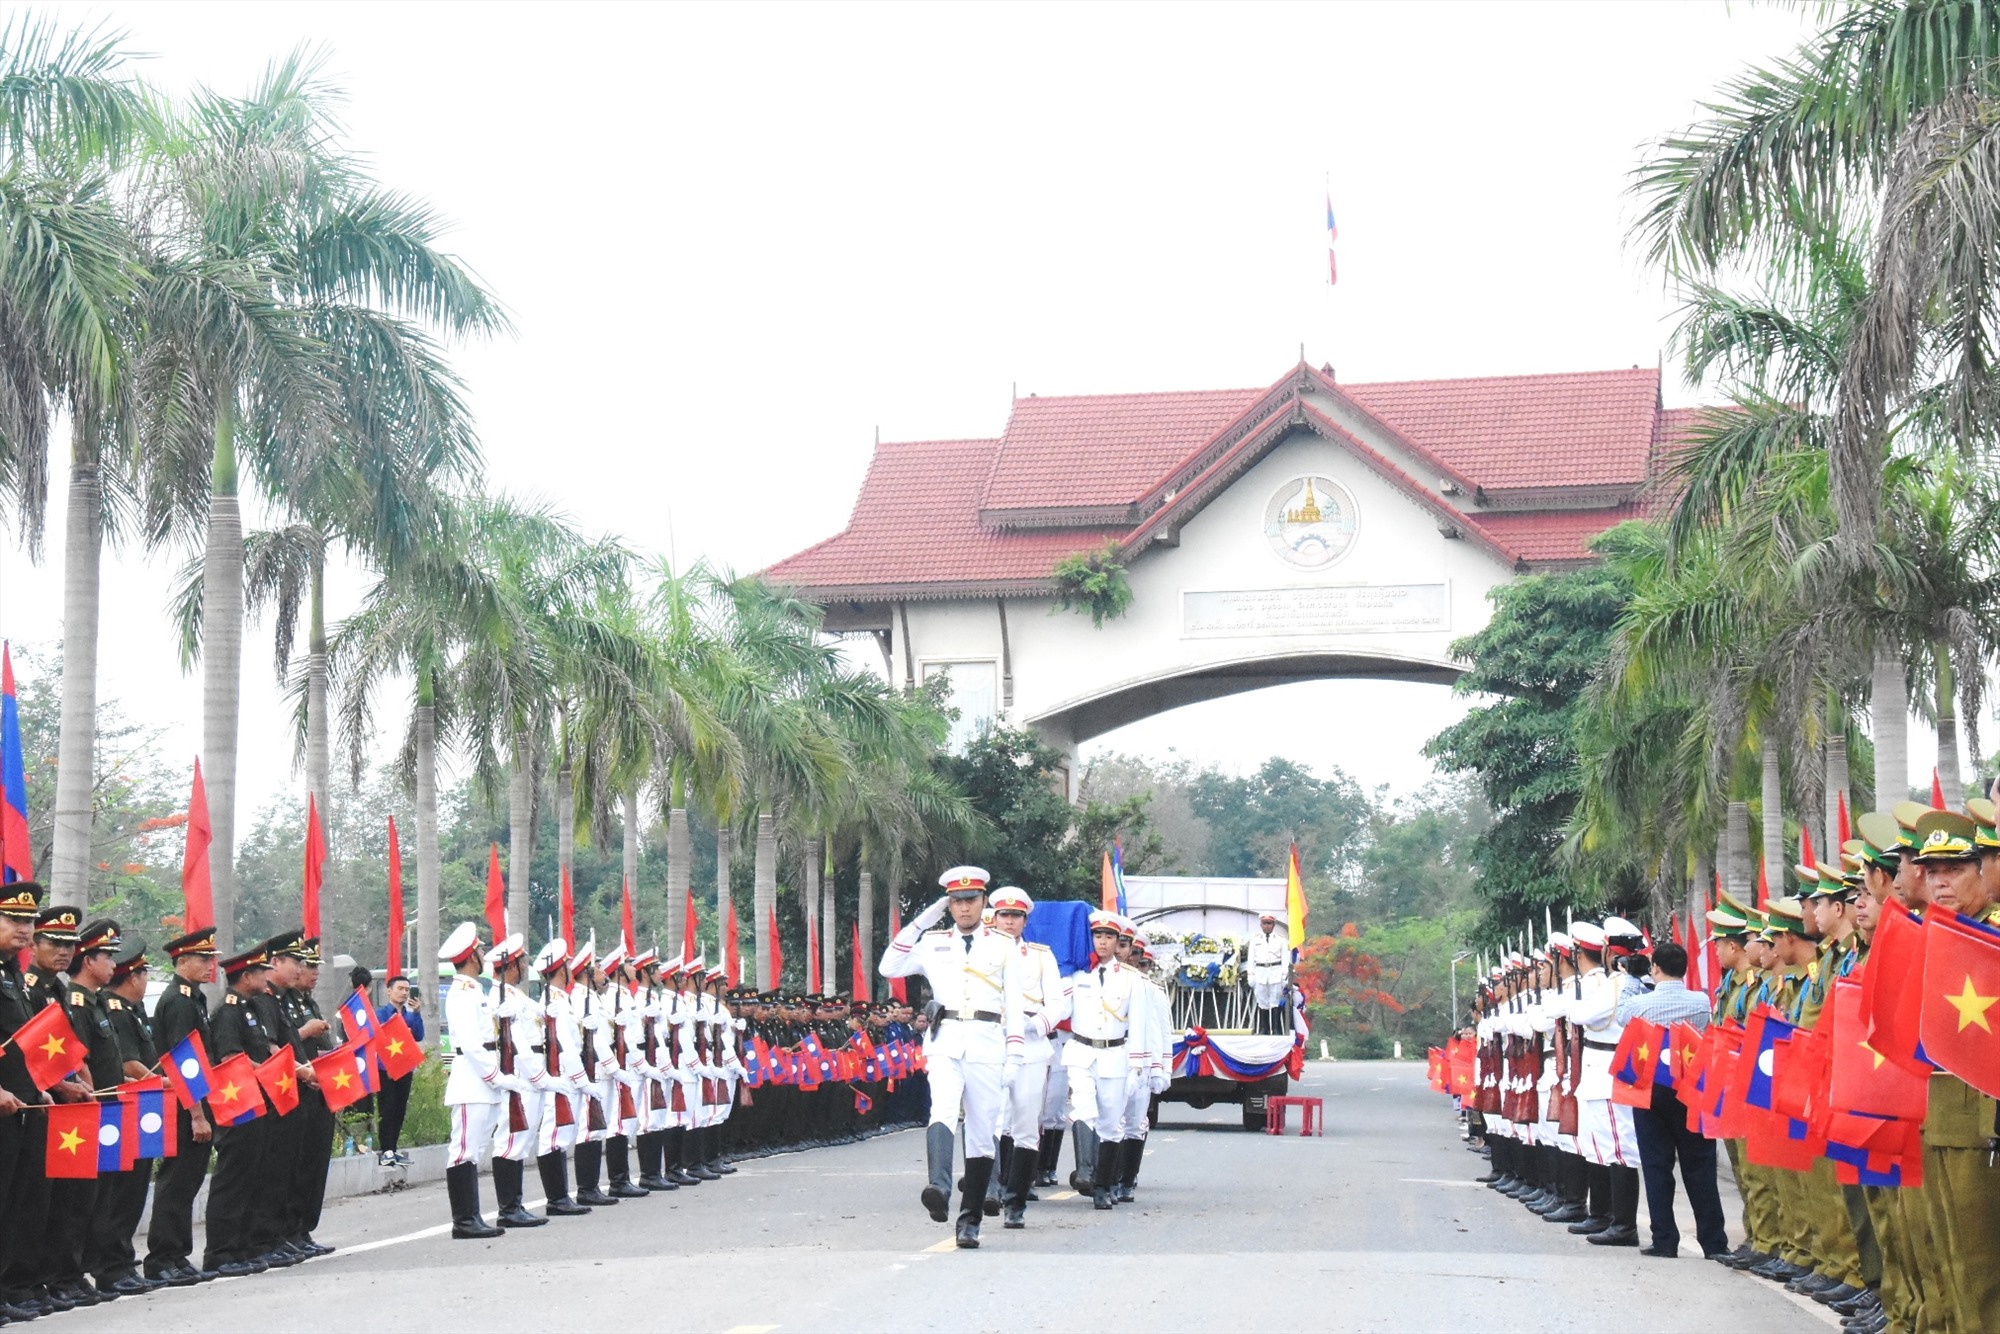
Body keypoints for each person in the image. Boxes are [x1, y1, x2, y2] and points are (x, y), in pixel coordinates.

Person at [878, 865, 1026, 1249]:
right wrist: (925, 918)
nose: (964, 909)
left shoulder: (1003, 945)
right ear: (949, 905)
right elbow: (888, 966)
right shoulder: (933, 942)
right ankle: (939, 1188)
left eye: (970, 901)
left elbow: (1015, 1004)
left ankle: (970, 1220)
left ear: (983, 902)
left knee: (980, 1132)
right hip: (945, 1041)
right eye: (956, 902)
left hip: (987, 1041)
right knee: (941, 1110)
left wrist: (1014, 1054)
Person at [1612, 940, 1727, 1259]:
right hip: (1691, 1087)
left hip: (1651, 1089)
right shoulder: (1701, 1002)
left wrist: (1633, 980)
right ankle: (1714, 1242)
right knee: (1700, 1166)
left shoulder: (1640, 1005)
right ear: (1685, 970)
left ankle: (1664, 1239)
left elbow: (1622, 1017)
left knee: (1656, 1165)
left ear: (1656, 968)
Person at [43, 918, 124, 1307]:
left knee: (92, 1196)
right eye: (107, 955)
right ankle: (54, 1276)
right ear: (90, 961)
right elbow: (76, 1057)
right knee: (67, 1198)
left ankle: (73, 1273)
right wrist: (81, 1085)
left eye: (68, 944)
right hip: (69, 1108)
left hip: (95, 1105)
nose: (114, 963)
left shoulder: (82, 999)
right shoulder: (71, 998)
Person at [984, 886, 1067, 1229]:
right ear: (995, 917)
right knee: (989, 1118)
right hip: (991, 1041)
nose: (1009, 921)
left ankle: (1016, 1199)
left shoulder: (1039, 956)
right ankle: (991, 1188)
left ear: (1025, 920)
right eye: (1004, 915)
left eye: (1016, 916)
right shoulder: (980, 953)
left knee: (1025, 1122)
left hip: (1031, 1045)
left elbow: (1058, 1003)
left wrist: (1035, 1025)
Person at [144, 926, 219, 1286]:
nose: (210, 965)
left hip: (196, 1099)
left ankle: (177, 1253)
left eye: (211, 959)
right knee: (175, 1181)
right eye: (203, 959)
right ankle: (161, 1257)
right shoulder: (177, 1001)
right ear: (183, 961)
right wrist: (196, 1114)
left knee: (188, 1181)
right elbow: (181, 1061)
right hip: (182, 1104)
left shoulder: (194, 998)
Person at [88, 941, 161, 1298]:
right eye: (144, 973)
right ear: (133, 976)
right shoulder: (115, 1010)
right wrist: (159, 1081)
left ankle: (120, 1262)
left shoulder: (123, 1009)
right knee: (117, 1193)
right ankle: (109, 1266)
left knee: (131, 1191)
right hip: (118, 1109)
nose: (146, 980)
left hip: (135, 1105)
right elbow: (129, 1063)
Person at [0, 883, 52, 1321]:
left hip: (21, 1109)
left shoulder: (12, 974)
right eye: (15, 920)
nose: (25, 929)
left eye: (29, 921)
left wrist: (44, 1086)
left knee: (14, 1203)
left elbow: (22, 1043)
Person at [1063, 909, 1138, 1212]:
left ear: (1118, 941)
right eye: (1098, 935)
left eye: (1109, 937)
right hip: (1081, 1051)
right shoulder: (1078, 975)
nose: (1103, 942)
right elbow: (1058, 1008)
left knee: (1110, 1125)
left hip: (1115, 1054)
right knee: (1083, 1106)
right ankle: (1085, 1171)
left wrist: (1139, 1064)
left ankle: (1104, 1185)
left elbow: (1139, 1024)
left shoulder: (1131, 980)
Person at [438, 922, 503, 1240]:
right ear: (472, 957)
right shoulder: (462, 992)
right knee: (463, 1150)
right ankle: (463, 1220)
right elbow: (470, 1042)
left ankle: (472, 1215)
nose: (483, 954)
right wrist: (493, 1075)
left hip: (482, 1078)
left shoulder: (476, 990)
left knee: (474, 1150)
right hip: (472, 1078)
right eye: (480, 950)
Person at [487, 934, 548, 1228]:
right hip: (520, 1072)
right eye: (522, 961)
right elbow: (516, 1041)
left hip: (530, 1069)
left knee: (521, 1140)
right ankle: (508, 1209)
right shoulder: (499, 997)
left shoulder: (517, 996)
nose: (525, 966)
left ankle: (516, 1204)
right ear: (512, 965)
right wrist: (537, 1074)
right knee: (510, 1139)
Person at [529, 937, 589, 1217]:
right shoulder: (553, 1002)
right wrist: (580, 1077)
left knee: (563, 1134)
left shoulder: (561, 1000)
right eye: (566, 964)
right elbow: (562, 1042)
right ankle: (556, 1198)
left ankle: (562, 1195)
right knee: (553, 1135)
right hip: (561, 1073)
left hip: (568, 1073)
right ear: (561, 969)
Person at [375, 974, 424, 1166]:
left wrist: (417, 1012)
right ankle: (386, 1149)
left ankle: (393, 1149)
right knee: (387, 1108)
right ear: (389, 991)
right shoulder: (381, 1014)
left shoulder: (409, 1016)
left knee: (399, 1108)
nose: (404, 993)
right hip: (385, 1068)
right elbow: (380, 1038)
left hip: (405, 1068)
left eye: (406, 989)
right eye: (400, 989)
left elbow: (419, 1035)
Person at [1245, 912, 1289, 1034]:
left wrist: (1285, 975)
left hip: (1275, 971)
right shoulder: (1255, 940)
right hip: (1260, 972)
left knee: (1275, 1000)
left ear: (1274, 924)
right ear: (1261, 925)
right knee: (1262, 1000)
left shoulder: (1281, 940)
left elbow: (1285, 959)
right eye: (1264, 923)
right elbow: (1251, 959)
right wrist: (1250, 975)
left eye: (1269, 923)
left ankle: (1275, 1028)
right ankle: (1264, 1028)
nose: (1267, 926)